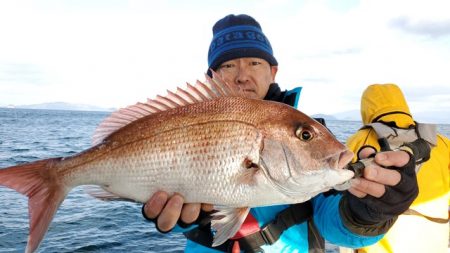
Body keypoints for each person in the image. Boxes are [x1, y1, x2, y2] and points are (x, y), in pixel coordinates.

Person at [141, 14, 421, 252]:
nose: (242, 75)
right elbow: (150, 179)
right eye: (227, 65)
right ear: (212, 77)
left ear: (272, 71)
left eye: (254, 63)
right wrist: (182, 218)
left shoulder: (311, 129)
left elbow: (334, 224)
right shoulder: (187, 119)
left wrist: (368, 212)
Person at [346, 83, 449, 253]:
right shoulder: (441, 141)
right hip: (434, 241)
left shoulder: (359, 140)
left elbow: (344, 192)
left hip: (383, 244)